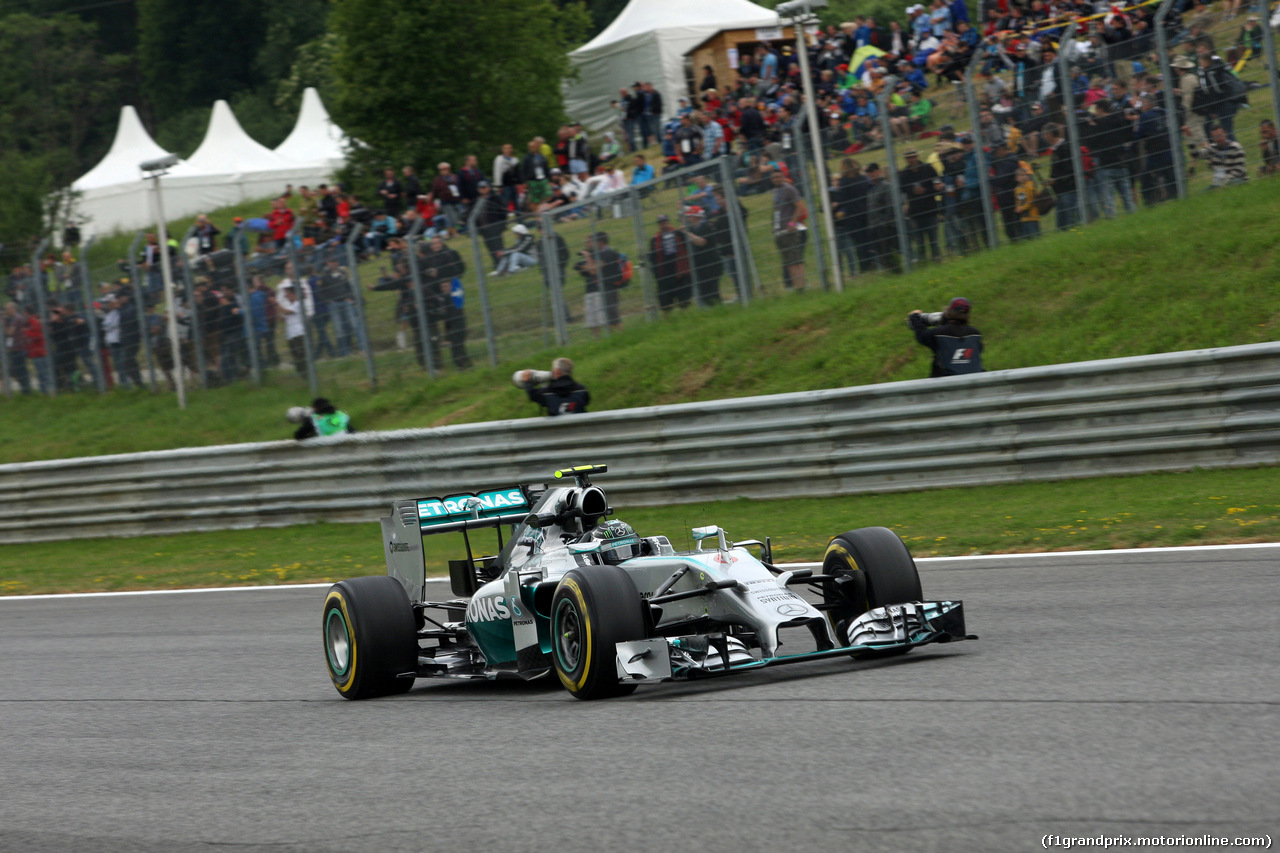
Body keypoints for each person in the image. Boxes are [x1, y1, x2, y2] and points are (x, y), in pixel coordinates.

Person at [907, 297, 984, 377]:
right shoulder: (975, 334)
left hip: (945, 384)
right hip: (974, 382)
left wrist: (914, 317)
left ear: (949, 311)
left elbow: (921, 335)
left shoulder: (939, 333)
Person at [574, 232, 624, 335]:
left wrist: (587, 258)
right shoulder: (596, 255)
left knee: (611, 318)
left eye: (593, 241)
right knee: (593, 321)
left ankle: (619, 337)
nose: (590, 244)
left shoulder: (608, 253)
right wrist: (585, 265)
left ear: (600, 242)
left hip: (607, 289)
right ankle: (600, 341)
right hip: (593, 289)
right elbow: (584, 268)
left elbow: (593, 271)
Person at [770, 171, 807, 291]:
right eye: (774, 177)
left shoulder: (789, 189)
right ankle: (796, 286)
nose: (776, 179)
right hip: (779, 230)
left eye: (778, 177)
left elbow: (800, 206)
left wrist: (792, 222)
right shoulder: (775, 191)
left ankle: (801, 285)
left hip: (789, 230)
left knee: (796, 259)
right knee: (789, 262)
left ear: (783, 177)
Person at [648, 214, 692, 312]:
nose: (664, 225)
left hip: (680, 273)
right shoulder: (655, 240)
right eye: (661, 224)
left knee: (684, 300)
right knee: (665, 303)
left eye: (665, 223)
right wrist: (657, 274)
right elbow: (653, 258)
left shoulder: (678, 234)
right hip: (664, 275)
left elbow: (687, 248)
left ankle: (685, 316)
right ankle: (667, 320)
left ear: (669, 223)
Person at [518, 357, 589, 416]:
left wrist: (527, 382)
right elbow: (586, 401)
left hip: (558, 431)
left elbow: (533, 395)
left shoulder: (548, 392)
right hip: (580, 430)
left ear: (557, 371)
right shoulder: (582, 390)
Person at [290, 397, 355, 440]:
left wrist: (311, 436)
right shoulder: (341, 414)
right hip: (347, 441)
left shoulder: (314, 419)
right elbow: (352, 431)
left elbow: (298, 436)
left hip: (330, 447)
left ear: (315, 408)